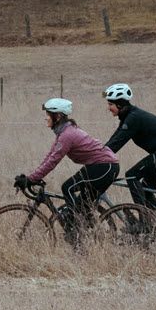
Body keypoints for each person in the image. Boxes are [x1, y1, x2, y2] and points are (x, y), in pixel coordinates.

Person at [15, 98, 119, 246]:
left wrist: (31, 179)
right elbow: (50, 156)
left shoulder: (67, 135)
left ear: (57, 117)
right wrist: (31, 177)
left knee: (68, 187)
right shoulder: (63, 132)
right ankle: (82, 233)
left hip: (105, 166)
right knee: (83, 204)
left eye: (48, 114)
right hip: (100, 165)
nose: (46, 117)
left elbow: (53, 162)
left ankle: (74, 224)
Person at [102, 83, 156, 212]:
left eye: (110, 104)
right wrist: (98, 152)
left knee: (131, 175)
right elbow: (113, 140)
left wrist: (97, 157)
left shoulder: (133, 118)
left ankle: (145, 221)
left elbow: (116, 144)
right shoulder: (129, 117)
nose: (108, 108)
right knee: (146, 189)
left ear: (119, 104)